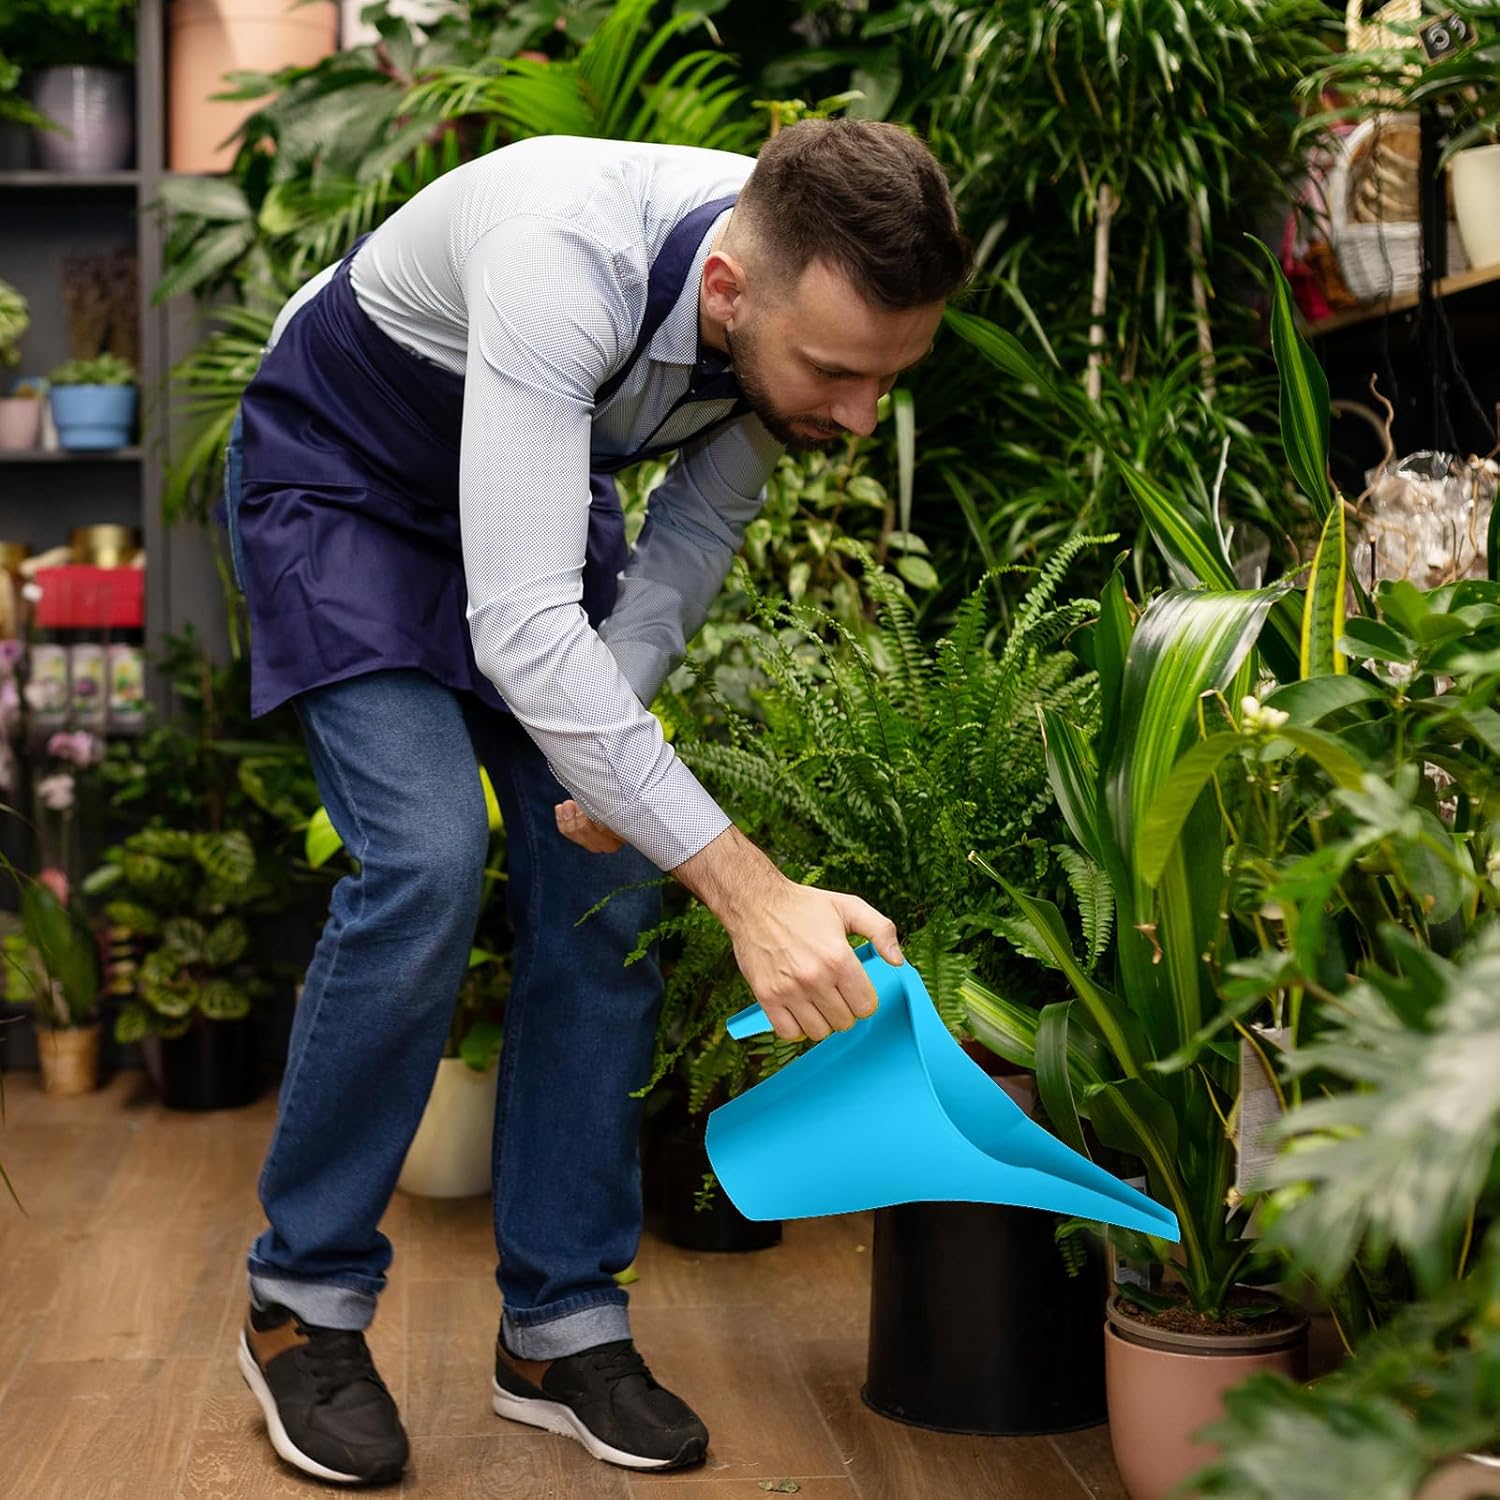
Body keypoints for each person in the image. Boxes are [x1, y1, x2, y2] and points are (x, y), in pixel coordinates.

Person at [222, 118, 970, 1486]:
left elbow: (689, 535)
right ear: (735, 293)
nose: (859, 418)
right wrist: (747, 888)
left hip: (528, 504)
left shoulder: (783, 320)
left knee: (609, 878)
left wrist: (605, 765)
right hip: (345, 486)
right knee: (429, 855)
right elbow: (519, 629)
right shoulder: (566, 254)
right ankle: (302, 1302)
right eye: (839, 373)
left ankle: (560, 1326)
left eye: (888, 381)